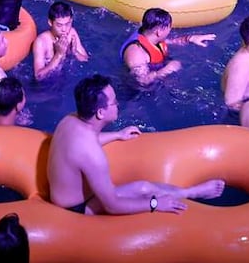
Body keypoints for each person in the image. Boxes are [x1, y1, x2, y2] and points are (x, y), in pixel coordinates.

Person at [47, 74, 225, 215]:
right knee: (144, 189)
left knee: (142, 187)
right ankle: (192, 193)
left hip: (61, 196)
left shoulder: (69, 120)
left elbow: (80, 147)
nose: (117, 104)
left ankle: (191, 192)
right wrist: (154, 204)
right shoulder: (92, 154)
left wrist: (118, 134)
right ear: (100, 113)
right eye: (113, 102)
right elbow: (112, 206)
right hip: (75, 209)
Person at [122, 8, 214, 86]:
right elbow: (142, 81)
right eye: (169, 27)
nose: (170, 30)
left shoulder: (152, 37)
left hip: (155, 68)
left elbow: (173, 41)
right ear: (159, 32)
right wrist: (166, 70)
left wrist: (191, 38)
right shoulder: (136, 53)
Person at [32, 2, 88, 81]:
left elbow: (85, 60)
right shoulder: (41, 42)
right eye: (59, 25)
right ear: (50, 23)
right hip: (49, 83)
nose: (64, 29)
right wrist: (59, 54)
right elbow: (38, 77)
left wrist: (74, 52)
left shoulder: (72, 33)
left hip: (67, 77)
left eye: (67, 24)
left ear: (71, 21)